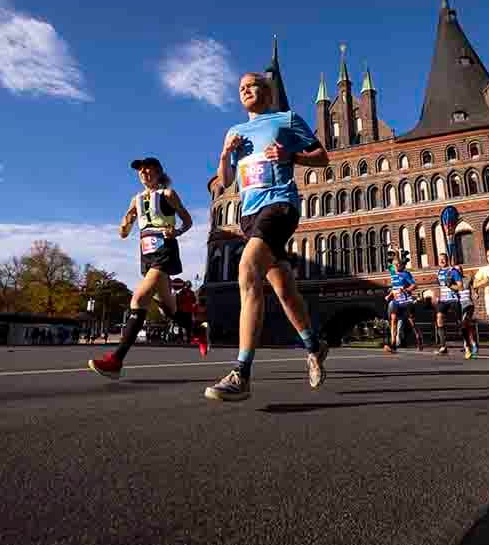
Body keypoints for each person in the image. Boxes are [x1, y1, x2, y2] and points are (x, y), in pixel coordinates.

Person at [204, 72, 330, 402]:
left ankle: (241, 374)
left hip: (280, 205)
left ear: (267, 92)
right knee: (285, 291)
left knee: (247, 270)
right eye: (241, 87)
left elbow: (323, 157)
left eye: (252, 85)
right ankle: (314, 344)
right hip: (249, 214)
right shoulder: (234, 132)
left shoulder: (286, 119)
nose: (245, 90)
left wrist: (292, 156)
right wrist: (224, 155)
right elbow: (227, 180)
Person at [88, 157, 194, 379]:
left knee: (138, 300)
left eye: (148, 168)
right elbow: (124, 233)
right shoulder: (135, 199)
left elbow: (188, 221)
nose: (144, 172)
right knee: (169, 309)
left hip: (165, 250)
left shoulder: (168, 195)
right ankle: (200, 331)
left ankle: (115, 361)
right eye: (140, 170)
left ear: (158, 172)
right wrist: (125, 224)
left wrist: (177, 231)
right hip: (146, 255)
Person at [384, 251, 420, 353]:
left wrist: (405, 290)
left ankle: (418, 337)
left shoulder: (405, 274)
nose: (395, 266)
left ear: (400, 265)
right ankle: (393, 344)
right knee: (393, 320)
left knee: (411, 321)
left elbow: (414, 285)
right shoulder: (393, 274)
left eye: (397, 265)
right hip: (396, 301)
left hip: (406, 300)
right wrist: (389, 295)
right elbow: (394, 288)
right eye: (394, 265)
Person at [432, 253, 463, 356]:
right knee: (439, 317)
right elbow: (438, 286)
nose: (442, 261)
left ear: (447, 260)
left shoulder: (453, 271)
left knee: (460, 322)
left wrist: (451, 285)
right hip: (443, 300)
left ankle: (467, 344)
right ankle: (443, 346)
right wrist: (436, 296)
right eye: (440, 259)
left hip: (453, 299)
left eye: (443, 259)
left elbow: (460, 287)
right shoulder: (438, 272)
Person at [455, 264, 478, 358]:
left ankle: (468, 346)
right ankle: (472, 342)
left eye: (460, 269)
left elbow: (475, 285)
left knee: (464, 323)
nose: (458, 271)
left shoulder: (467, 279)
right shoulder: (453, 281)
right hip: (459, 305)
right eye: (456, 270)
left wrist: (476, 293)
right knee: (465, 326)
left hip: (468, 304)